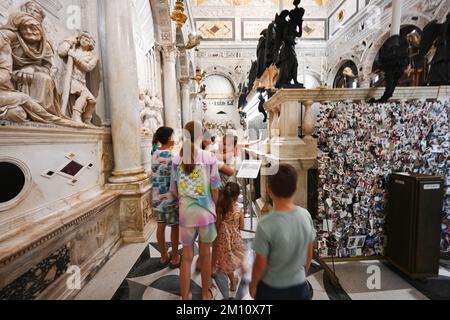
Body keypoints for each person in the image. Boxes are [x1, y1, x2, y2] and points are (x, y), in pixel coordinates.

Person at [170, 121, 221, 300]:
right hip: (206, 214)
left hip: (186, 215)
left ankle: (185, 296)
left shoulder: (177, 159)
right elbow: (215, 187)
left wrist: (184, 201)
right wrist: (214, 205)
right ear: (202, 136)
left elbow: (173, 190)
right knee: (206, 254)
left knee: (186, 257)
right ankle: (206, 294)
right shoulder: (209, 158)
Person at [250, 164, 316, 300]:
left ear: (269, 190)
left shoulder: (265, 224)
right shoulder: (305, 215)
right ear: (296, 187)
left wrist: (254, 284)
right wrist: (302, 273)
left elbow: (260, 264)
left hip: (272, 288)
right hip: (299, 286)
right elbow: (309, 254)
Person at [151, 127, 181, 269]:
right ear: (169, 139)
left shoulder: (154, 153)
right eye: (173, 136)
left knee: (160, 226)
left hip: (157, 197)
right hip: (170, 198)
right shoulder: (173, 158)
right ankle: (175, 257)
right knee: (174, 227)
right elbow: (176, 180)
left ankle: (163, 256)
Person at [215, 182, 246, 298]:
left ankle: (233, 282)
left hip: (223, 240)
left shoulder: (220, 208)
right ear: (237, 196)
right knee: (239, 256)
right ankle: (244, 271)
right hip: (235, 240)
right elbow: (241, 226)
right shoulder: (239, 210)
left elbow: (217, 225)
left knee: (227, 261)